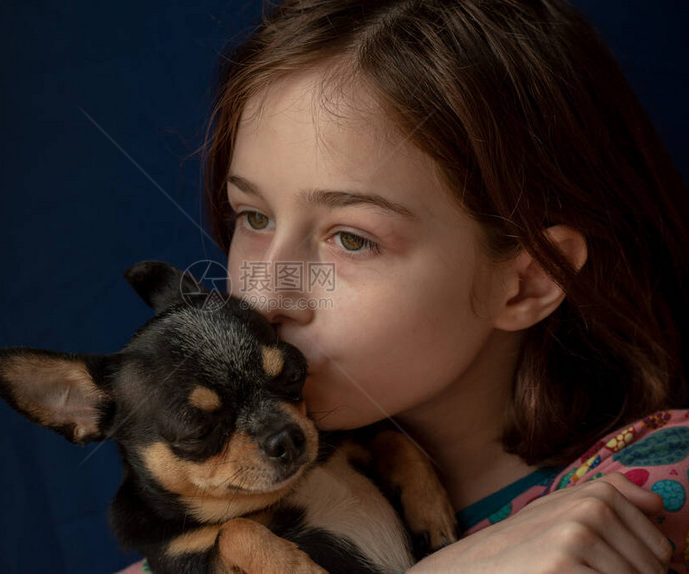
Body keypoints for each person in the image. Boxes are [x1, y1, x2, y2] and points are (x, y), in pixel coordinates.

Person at [118, 0, 689, 571]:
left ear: (529, 282)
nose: (263, 298)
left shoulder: (652, 489)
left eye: (351, 239)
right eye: (254, 218)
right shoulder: (240, 502)